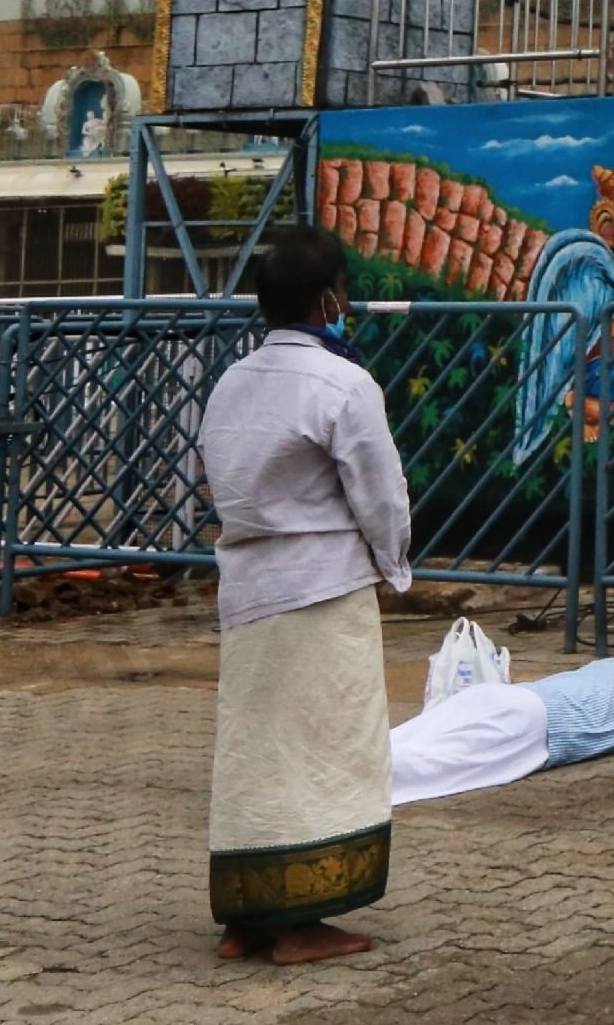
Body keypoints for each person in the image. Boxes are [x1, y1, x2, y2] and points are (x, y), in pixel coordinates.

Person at [199, 224, 411, 965]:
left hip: (248, 589)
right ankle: (300, 922)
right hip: (321, 590)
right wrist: (394, 570)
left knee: (255, 750)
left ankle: (244, 921)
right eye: (344, 292)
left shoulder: (232, 380)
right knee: (323, 750)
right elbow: (381, 495)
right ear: (329, 300)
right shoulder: (343, 384)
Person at [387, 659, 614, 807]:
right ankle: (348, 790)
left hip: (497, 694)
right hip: (532, 722)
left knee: (403, 738)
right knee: (436, 765)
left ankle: (334, 763)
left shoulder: (608, 664)